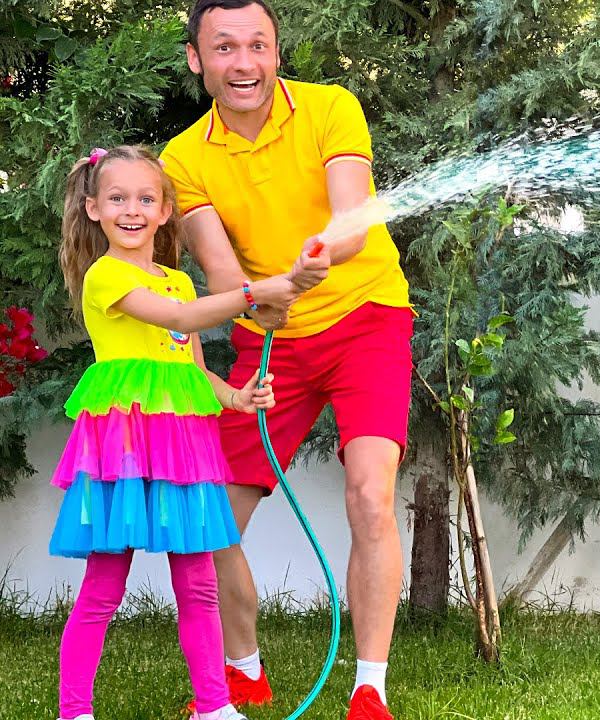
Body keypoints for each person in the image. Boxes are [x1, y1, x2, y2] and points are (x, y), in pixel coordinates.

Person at [160, 1, 414, 718]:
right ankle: (244, 673)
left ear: (276, 51)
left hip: (366, 319)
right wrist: (259, 302)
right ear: (196, 59)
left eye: (258, 45)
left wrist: (318, 256)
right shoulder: (183, 159)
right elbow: (221, 273)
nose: (244, 63)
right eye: (224, 47)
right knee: (208, 514)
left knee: (370, 495)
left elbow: (351, 221)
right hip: (271, 341)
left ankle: (370, 689)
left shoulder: (331, 107)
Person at [49, 145, 296, 720]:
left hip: (179, 450)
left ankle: (214, 705)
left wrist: (235, 397)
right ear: (93, 208)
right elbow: (181, 321)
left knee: (198, 582)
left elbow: (189, 365)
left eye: (145, 199)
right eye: (117, 198)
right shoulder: (105, 276)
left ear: (164, 212)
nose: (131, 210)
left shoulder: (180, 282)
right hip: (122, 446)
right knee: (104, 586)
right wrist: (254, 294)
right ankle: (74, 710)